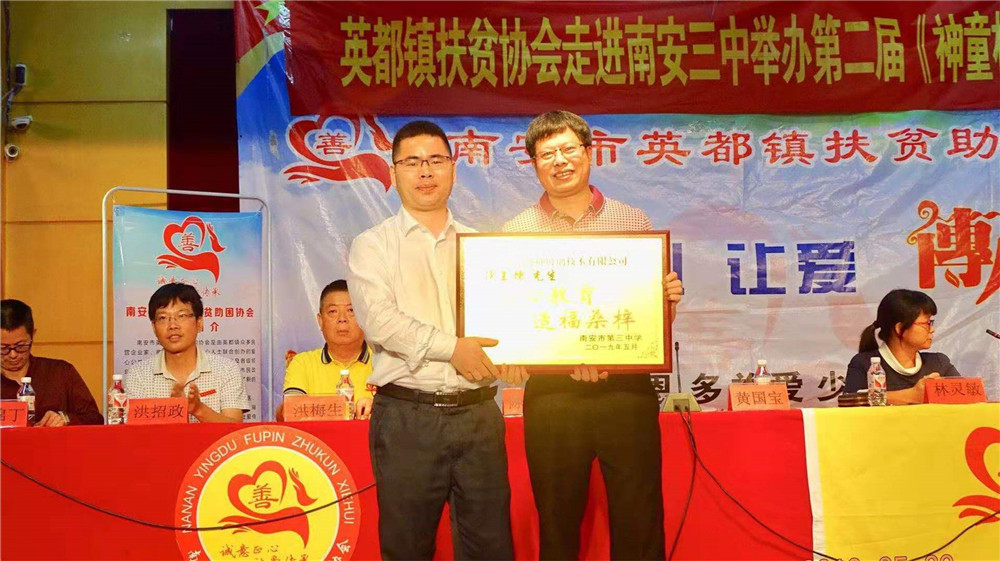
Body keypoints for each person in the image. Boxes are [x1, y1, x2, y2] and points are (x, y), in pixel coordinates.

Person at [500, 110, 683, 560]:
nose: (559, 161)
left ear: (588, 152)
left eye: (568, 149)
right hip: (552, 397)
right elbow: (510, 318)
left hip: (625, 392)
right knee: (557, 523)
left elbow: (649, 321)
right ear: (533, 163)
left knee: (639, 520)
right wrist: (512, 354)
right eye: (547, 154)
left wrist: (667, 303)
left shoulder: (632, 221)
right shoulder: (515, 232)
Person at [348, 120, 514, 560]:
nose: (425, 171)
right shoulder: (373, 245)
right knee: (407, 547)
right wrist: (452, 348)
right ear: (393, 172)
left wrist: (520, 356)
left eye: (436, 160)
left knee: (490, 547)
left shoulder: (484, 246)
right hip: (408, 417)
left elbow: (507, 322)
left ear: (453, 169)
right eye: (412, 162)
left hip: (479, 415)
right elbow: (380, 321)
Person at [124, 283, 250, 422]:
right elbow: (135, 431)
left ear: (199, 323)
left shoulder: (226, 369)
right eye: (163, 318)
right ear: (154, 327)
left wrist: (198, 409)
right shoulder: (139, 375)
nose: (173, 325)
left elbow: (234, 427)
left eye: (182, 315)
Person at [277, 279, 374, 421]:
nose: (342, 319)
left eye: (351, 310)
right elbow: (290, 413)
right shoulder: (302, 363)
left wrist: (378, 409)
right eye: (333, 311)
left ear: (365, 318)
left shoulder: (384, 362)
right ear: (320, 321)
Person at [845, 288, 960, 404]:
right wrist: (912, 395)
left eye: (931, 323)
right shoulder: (865, 364)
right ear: (899, 329)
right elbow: (850, 401)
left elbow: (965, 396)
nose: (932, 329)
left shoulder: (938, 363)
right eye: (926, 323)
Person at [1, 299, 103, 426]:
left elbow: (94, 418)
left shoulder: (60, 373)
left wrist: (65, 419)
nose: (13, 355)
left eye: (21, 346)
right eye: (3, 348)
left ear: (33, 335)